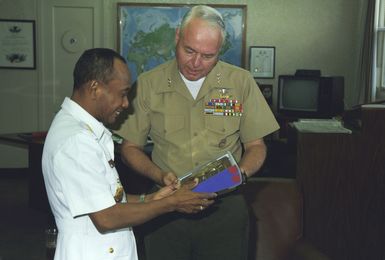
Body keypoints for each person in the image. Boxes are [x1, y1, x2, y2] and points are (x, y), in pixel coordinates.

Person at [117, 5, 280, 260]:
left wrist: (238, 175)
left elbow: (256, 146)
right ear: (177, 37)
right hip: (165, 206)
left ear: (219, 51)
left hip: (224, 207)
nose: (195, 63)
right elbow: (129, 148)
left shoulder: (241, 82)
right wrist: (159, 174)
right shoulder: (149, 84)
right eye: (189, 50)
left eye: (207, 56)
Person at [41, 48, 217, 260]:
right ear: (95, 88)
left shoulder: (82, 131)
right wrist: (173, 203)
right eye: (123, 94)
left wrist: (151, 198)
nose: (126, 104)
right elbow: (106, 217)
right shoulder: (76, 141)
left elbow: (107, 199)